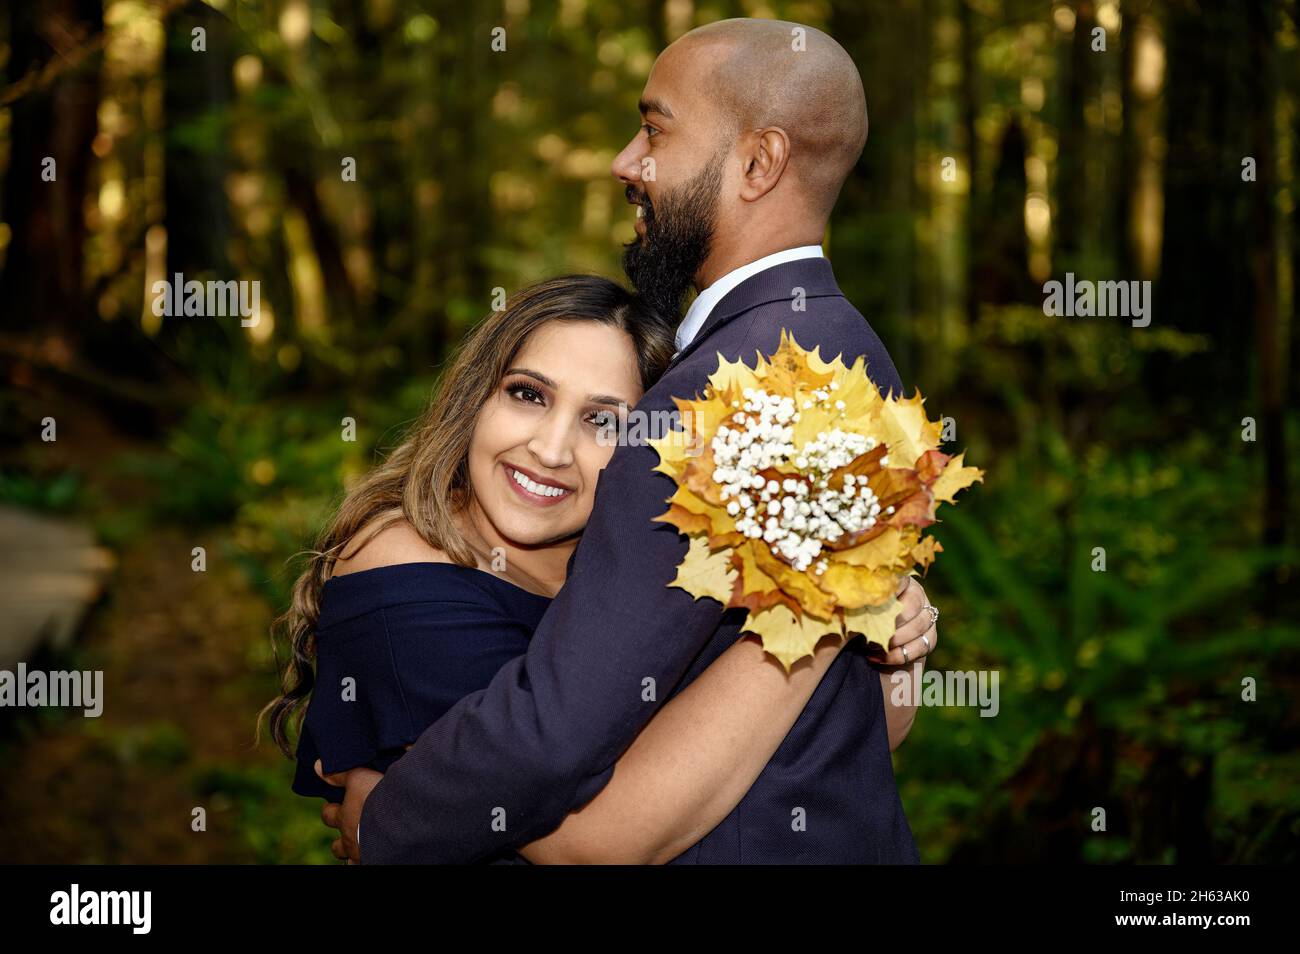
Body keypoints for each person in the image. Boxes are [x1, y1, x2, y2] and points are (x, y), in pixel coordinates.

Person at [324, 17, 939, 864]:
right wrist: (859, 612)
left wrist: (389, 823)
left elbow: (556, 734)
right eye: (527, 395)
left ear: (758, 163)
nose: (626, 162)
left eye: (655, 130)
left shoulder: (716, 392)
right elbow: (840, 727)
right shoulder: (846, 352)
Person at [262, 274, 934, 863]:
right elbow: (593, 840)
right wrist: (821, 601)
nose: (551, 449)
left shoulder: (638, 561)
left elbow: (877, 732)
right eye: (527, 395)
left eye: (604, 423)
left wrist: (895, 638)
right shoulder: (402, 574)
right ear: (473, 400)